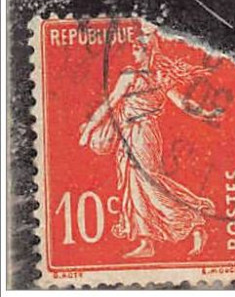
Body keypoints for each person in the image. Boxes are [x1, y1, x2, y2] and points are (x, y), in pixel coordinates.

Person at [77, 23, 223, 259]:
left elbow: (182, 103)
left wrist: (205, 114)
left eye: (137, 49)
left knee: (147, 182)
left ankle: (193, 221)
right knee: (134, 184)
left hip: (143, 134)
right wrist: (90, 129)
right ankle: (147, 241)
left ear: (148, 51)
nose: (133, 54)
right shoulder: (138, 76)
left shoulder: (147, 77)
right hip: (129, 134)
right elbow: (110, 103)